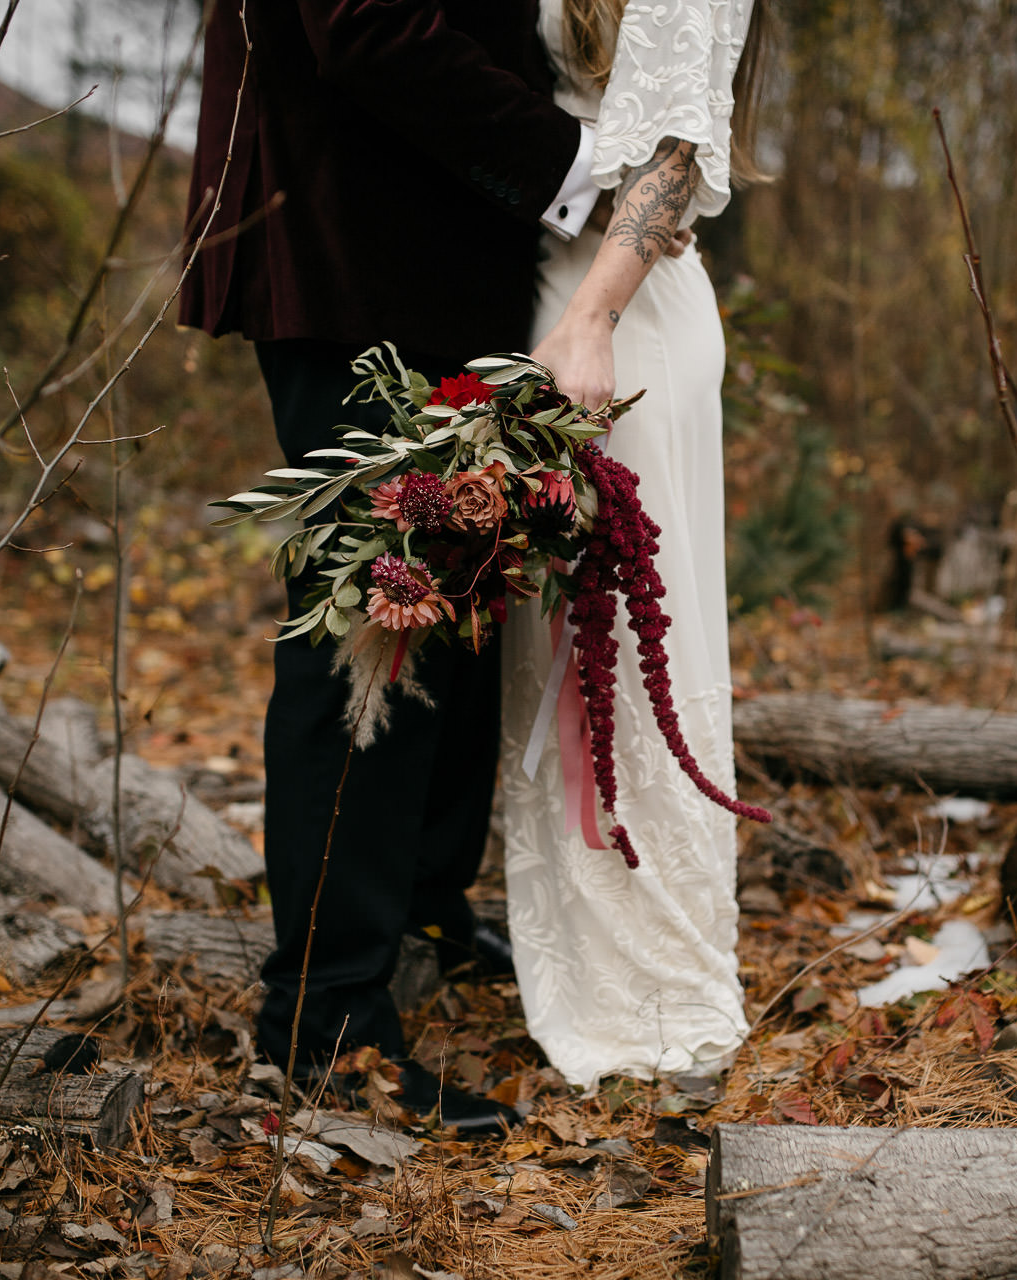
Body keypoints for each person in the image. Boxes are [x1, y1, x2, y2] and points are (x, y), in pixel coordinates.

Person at [179, 0, 608, 1132]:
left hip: (440, 260)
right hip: (356, 250)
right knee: (373, 613)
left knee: (463, 587)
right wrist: (575, 158)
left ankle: (419, 906)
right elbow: (366, 24)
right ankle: (326, 1017)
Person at [503, 0, 764, 1087]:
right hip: (545, 286)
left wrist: (595, 319)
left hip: (622, 302)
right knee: (552, 645)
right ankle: (568, 939)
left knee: (631, 629)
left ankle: (653, 976)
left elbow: (675, 143)